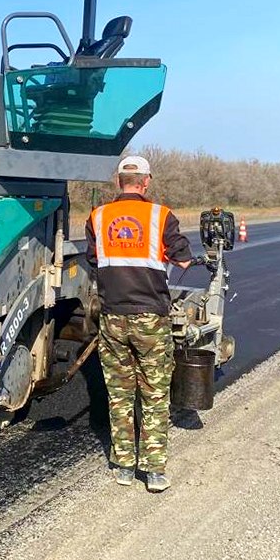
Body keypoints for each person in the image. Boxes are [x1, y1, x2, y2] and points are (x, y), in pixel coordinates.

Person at [85, 155, 193, 492]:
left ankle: (123, 466)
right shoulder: (161, 216)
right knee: (155, 391)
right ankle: (155, 470)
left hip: (113, 317)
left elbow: (94, 258)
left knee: (119, 393)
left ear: (119, 182)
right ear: (145, 183)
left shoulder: (98, 217)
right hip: (150, 318)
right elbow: (184, 258)